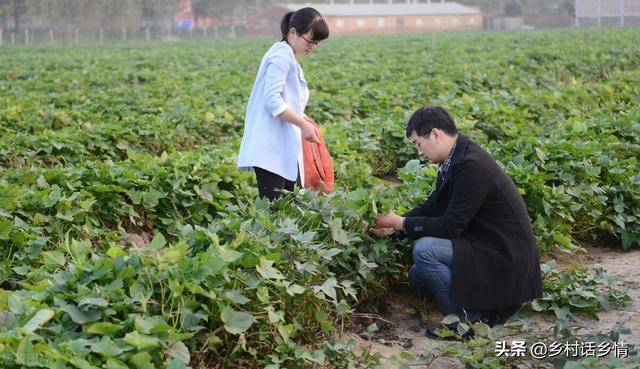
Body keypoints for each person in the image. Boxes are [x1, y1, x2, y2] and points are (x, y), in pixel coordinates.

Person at [370, 106, 542, 339]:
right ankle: (486, 309)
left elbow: (450, 227)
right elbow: (434, 205)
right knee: (418, 275)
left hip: (505, 258)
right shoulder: (456, 157)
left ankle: (467, 323)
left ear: (435, 134)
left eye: (418, 143)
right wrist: (394, 227)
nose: (419, 151)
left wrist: (402, 223)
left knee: (426, 251)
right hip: (487, 247)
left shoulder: (471, 165)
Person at [237, 8, 329, 202]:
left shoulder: (286, 54)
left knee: (289, 208)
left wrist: (303, 120)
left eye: (317, 43)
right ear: (293, 32)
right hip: (269, 148)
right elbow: (272, 99)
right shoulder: (282, 55)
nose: (312, 47)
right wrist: (302, 124)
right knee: (276, 213)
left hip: (281, 146)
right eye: (310, 40)